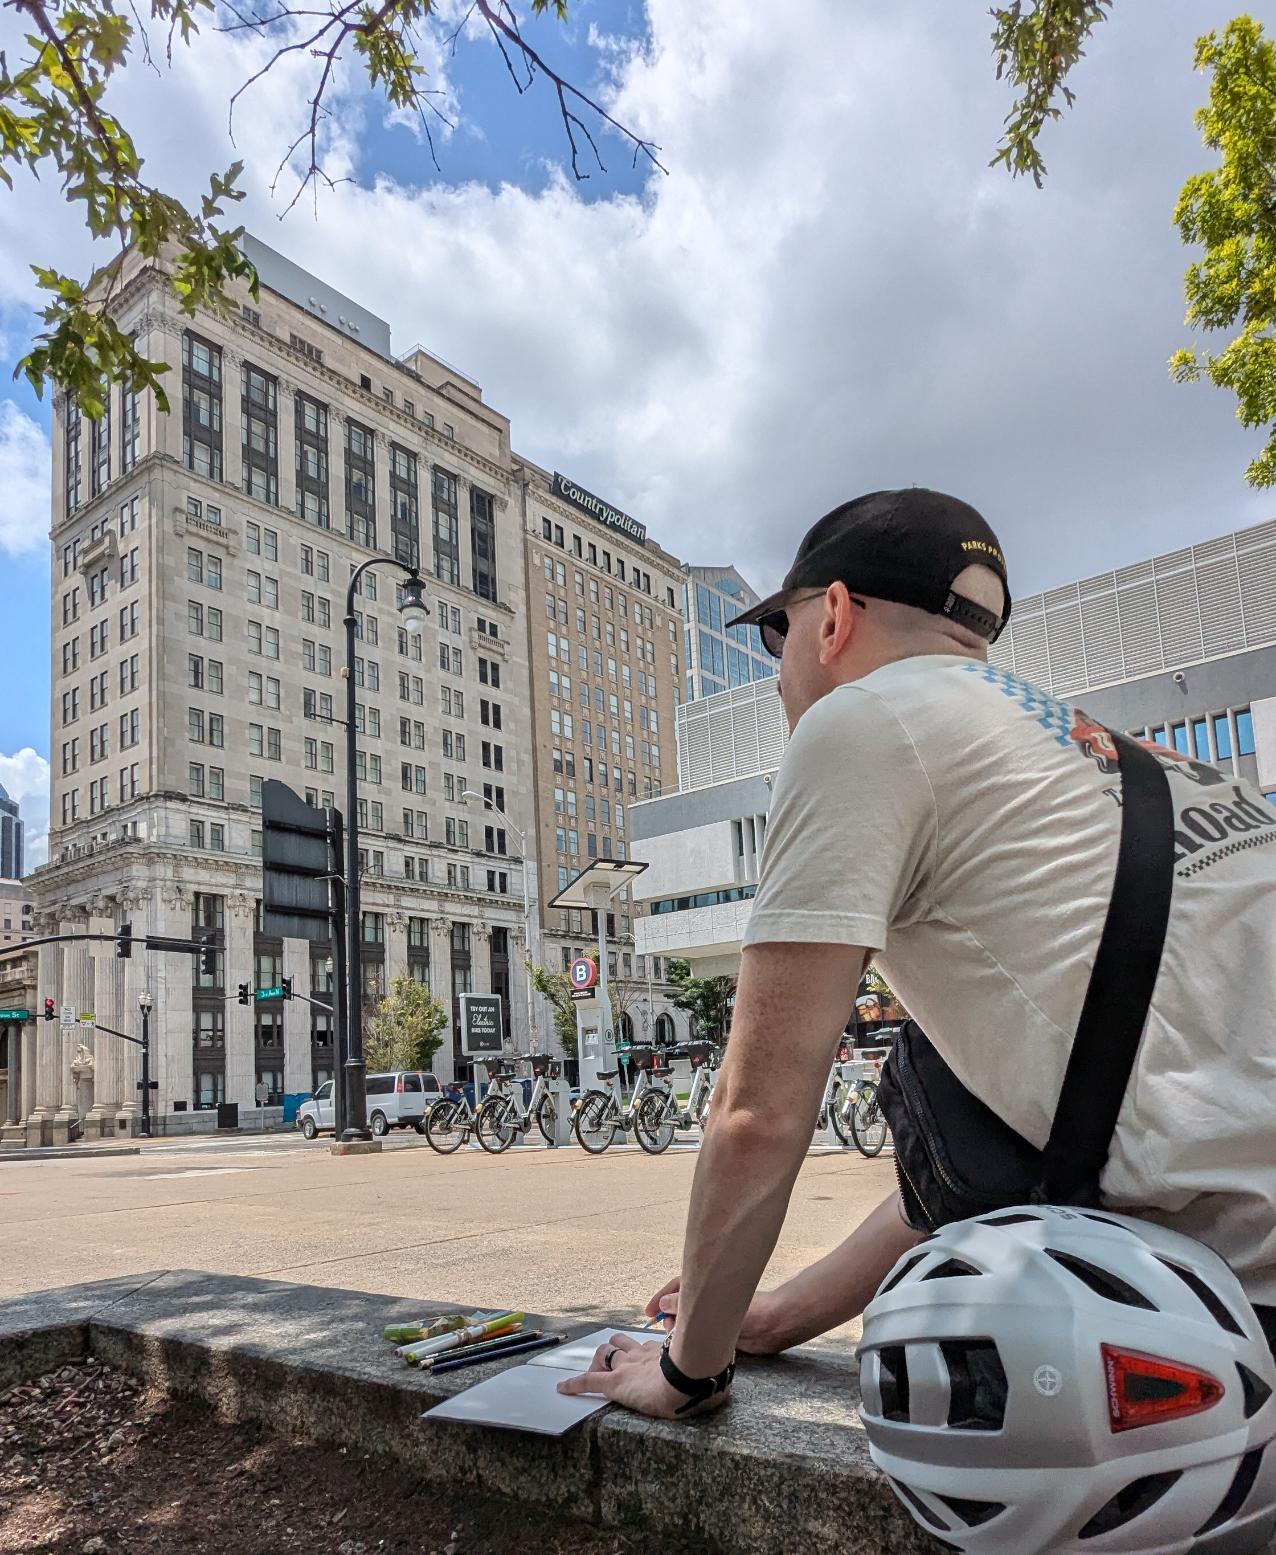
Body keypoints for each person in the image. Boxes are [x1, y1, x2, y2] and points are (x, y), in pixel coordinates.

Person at [558, 487, 1276, 1421]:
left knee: (929, 1355)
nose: (775, 674)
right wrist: (772, 1315)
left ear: (834, 615)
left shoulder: (857, 722)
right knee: (936, 1060)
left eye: (778, 633)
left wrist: (688, 1370)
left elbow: (757, 1110)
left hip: (1238, 1322)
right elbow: (986, 1151)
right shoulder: (1112, 756)